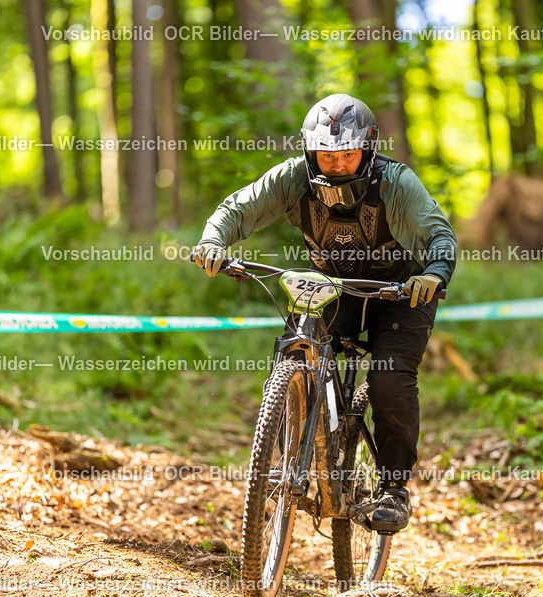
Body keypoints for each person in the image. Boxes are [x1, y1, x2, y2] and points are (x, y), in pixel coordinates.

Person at [192, 93, 457, 533]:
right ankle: (292, 448)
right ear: (310, 152)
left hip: (401, 294)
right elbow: (239, 207)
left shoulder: (396, 183)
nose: (335, 166)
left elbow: (439, 234)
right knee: (299, 346)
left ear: (367, 150)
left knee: (389, 379)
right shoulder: (294, 178)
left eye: (347, 156)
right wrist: (213, 242)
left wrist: (434, 272)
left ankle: (393, 488)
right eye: (326, 156)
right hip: (335, 288)